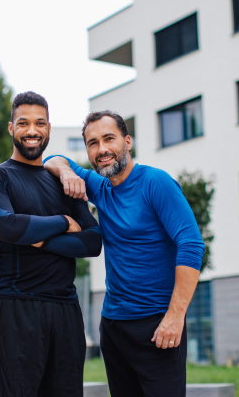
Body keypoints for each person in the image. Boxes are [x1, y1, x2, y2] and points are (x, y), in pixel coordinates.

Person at [44, 110, 205, 397]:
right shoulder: (101, 187)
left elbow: (192, 244)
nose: (102, 149)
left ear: (127, 141)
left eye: (109, 139)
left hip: (157, 325)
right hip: (114, 327)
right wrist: (68, 173)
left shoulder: (156, 183)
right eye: (93, 143)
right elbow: (53, 160)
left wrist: (175, 316)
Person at [0, 91, 102, 396]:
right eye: (23, 123)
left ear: (48, 128)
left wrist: (37, 240)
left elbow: (93, 241)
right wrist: (62, 222)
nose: (32, 131)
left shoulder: (64, 181)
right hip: (14, 308)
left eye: (40, 123)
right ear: (11, 128)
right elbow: (6, 225)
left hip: (65, 312)